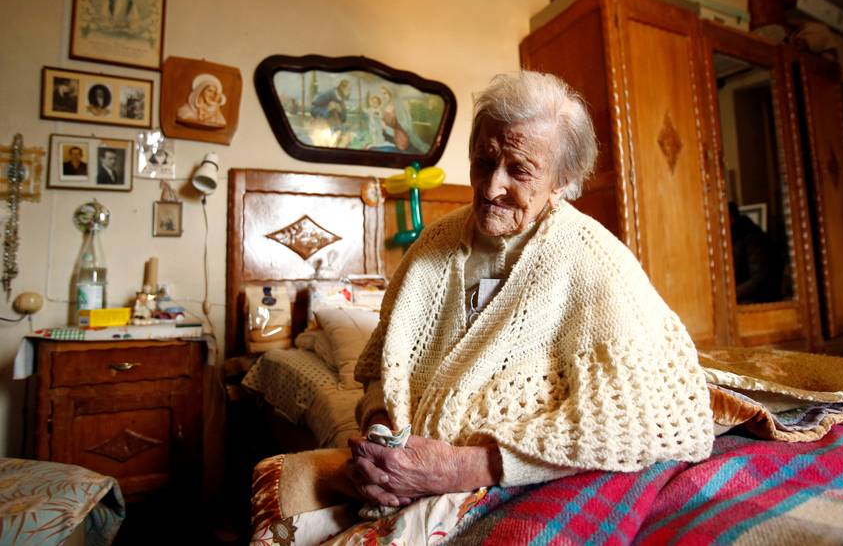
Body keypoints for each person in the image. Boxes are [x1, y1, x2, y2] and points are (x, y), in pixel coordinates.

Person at [252, 72, 714, 543]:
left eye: (520, 170)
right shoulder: (432, 244)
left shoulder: (595, 260)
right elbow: (379, 373)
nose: (492, 187)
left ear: (563, 181)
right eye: (484, 161)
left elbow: (650, 422)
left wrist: (463, 467)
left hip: (511, 481)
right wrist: (382, 438)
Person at [729, 202, 783, 303]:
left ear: (731, 218)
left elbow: (760, 279)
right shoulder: (734, 239)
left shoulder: (752, 238)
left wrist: (730, 294)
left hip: (758, 304)